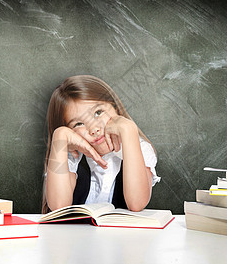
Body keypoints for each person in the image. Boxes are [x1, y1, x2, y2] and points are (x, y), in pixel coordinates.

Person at [42, 75, 160, 214]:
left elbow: (136, 203)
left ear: (115, 108)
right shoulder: (71, 154)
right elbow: (58, 207)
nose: (94, 129)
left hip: (122, 235)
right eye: (78, 124)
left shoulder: (138, 147)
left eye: (98, 112)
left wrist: (128, 130)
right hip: (77, 235)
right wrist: (60, 136)